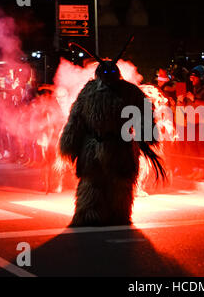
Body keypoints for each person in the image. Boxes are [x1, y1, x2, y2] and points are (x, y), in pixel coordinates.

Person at [59, 58, 165, 227]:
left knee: (119, 183)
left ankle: (115, 214)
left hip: (118, 146)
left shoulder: (128, 92)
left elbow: (75, 120)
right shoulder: (91, 91)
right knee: (94, 182)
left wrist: (69, 143)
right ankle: (91, 213)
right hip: (101, 147)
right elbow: (76, 120)